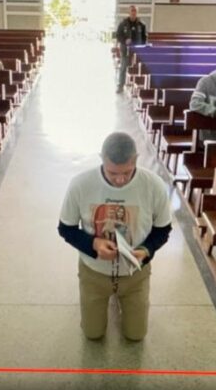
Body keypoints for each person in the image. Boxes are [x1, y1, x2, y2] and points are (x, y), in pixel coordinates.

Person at [58, 132, 172, 341]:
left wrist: (145, 251)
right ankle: (105, 301)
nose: (120, 180)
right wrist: (93, 243)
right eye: (112, 173)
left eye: (127, 173)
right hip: (94, 272)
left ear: (136, 159)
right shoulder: (80, 184)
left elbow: (163, 230)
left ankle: (124, 299)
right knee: (92, 334)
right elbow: (66, 228)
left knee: (136, 336)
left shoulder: (153, 185)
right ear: (101, 159)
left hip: (135, 273)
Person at [115, 5, 148, 94]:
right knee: (123, 67)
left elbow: (144, 38)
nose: (133, 13)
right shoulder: (123, 24)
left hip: (137, 51)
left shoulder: (141, 25)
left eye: (135, 11)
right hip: (125, 49)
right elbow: (118, 35)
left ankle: (137, 89)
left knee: (139, 69)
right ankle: (120, 86)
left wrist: (143, 48)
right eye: (132, 11)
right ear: (129, 12)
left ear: (137, 12)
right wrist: (125, 40)